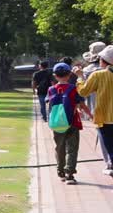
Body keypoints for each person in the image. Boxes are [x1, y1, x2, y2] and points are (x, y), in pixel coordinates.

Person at [47, 63, 86, 184]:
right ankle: (70, 174)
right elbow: (80, 103)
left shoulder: (51, 89)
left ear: (55, 76)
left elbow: (49, 104)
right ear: (69, 75)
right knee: (72, 148)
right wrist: (90, 115)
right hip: (72, 122)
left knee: (60, 148)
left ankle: (60, 172)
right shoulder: (73, 88)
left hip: (57, 124)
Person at [78, 46, 113, 179]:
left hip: (104, 116)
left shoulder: (98, 75)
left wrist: (80, 78)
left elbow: (83, 91)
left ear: (104, 60)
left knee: (109, 145)